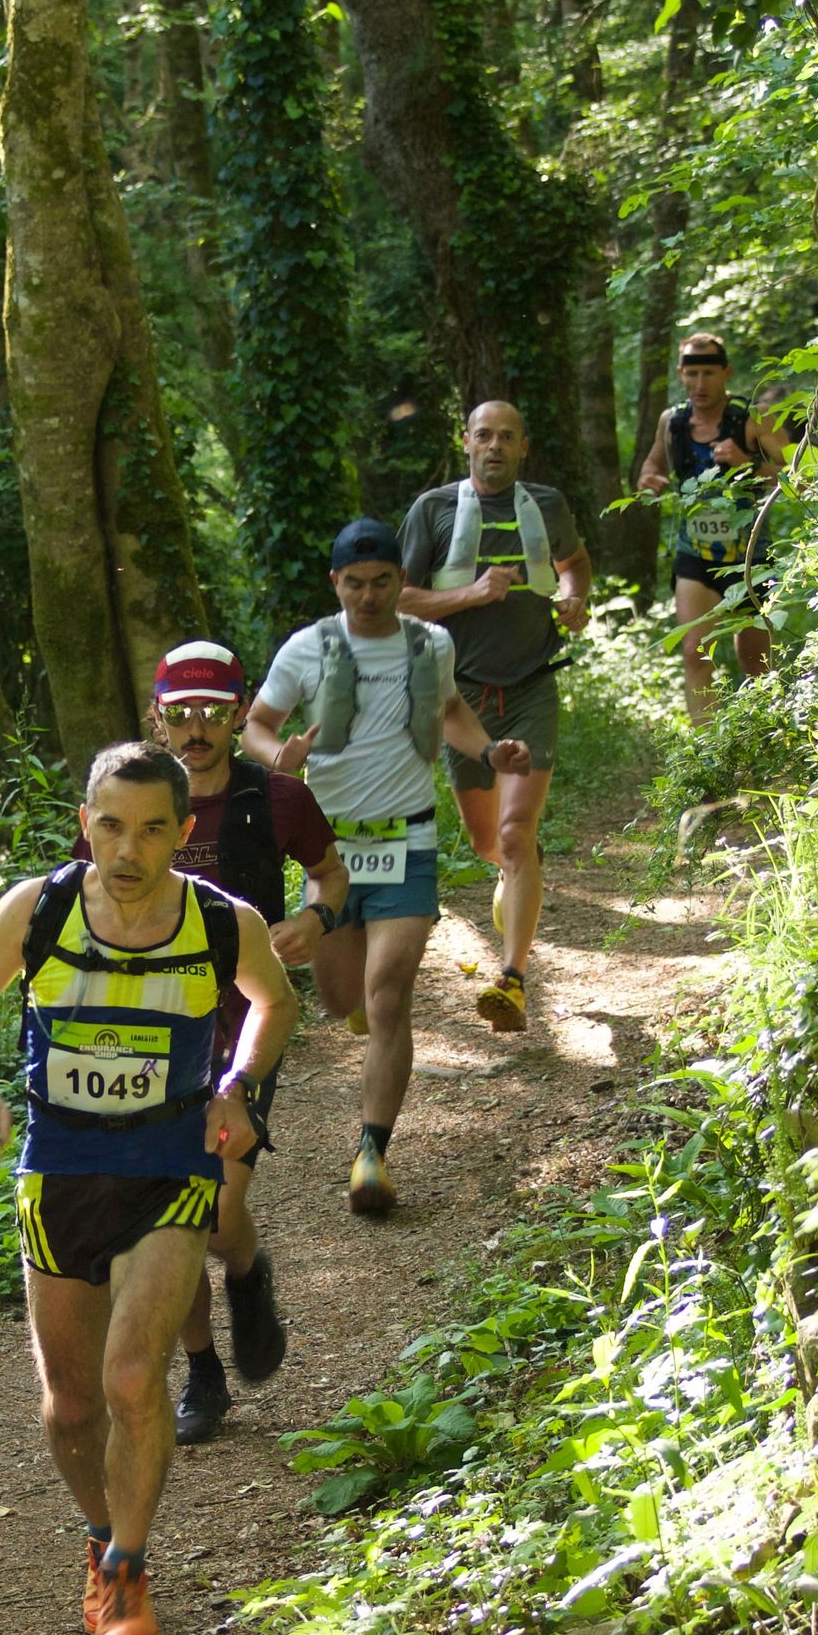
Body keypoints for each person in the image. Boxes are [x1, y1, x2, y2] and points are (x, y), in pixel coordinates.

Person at [0, 742, 297, 1635]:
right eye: (113, 827)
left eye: (154, 829)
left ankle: (129, 1567)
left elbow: (275, 1003)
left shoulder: (221, 921)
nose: (129, 850)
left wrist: (238, 1086)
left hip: (171, 1162)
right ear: (86, 823)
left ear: (183, 830)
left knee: (132, 1376)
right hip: (60, 1166)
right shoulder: (40, 908)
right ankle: (99, 1537)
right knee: (73, 1402)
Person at [243, 519, 531, 1217]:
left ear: (401, 581)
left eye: (381, 583)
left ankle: (372, 1153)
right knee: (341, 997)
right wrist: (278, 757)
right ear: (335, 583)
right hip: (330, 853)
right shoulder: (307, 648)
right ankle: (362, 1020)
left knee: (387, 995)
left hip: (409, 841)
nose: (368, 596)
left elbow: (451, 709)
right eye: (354, 584)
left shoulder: (430, 643)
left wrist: (488, 751)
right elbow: (255, 723)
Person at [147, 638, 349, 1446]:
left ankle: (245, 1268)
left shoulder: (279, 799)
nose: (196, 729)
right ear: (157, 719)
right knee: (169, 1214)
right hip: (147, 1034)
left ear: (238, 715)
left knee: (217, 1209)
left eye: (212, 712)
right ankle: (202, 1370)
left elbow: (331, 874)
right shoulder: (129, 798)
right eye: (181, 714)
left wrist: (314, 918)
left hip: (244, 1027)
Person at [397, 399, 591, 1035]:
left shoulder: (547, 506)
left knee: (514, 833)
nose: (495, 446)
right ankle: (515, 870)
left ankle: (512, 979)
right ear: (466, 442)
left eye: (508, 436)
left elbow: (574, 563)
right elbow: (398, 599)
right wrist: (472, 593)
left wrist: (573, 597)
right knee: (489, 843)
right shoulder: (433, 510)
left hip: (532, 686)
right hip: (461, 698)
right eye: (484, 435)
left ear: (524, 446)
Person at [636, 331, 785, 725]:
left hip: (750, 556)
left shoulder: (752, 417)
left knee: (756, 662)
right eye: (692, 374)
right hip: (695, 555)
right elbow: (653, 464)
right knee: (694, 652)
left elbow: (799, 475)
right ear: (680, 374)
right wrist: (648, 480)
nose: (700, 383)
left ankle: (765, 741)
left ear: (726, 373)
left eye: (708, 373)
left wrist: (747, 464)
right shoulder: (672, 422)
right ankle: (709, 751)